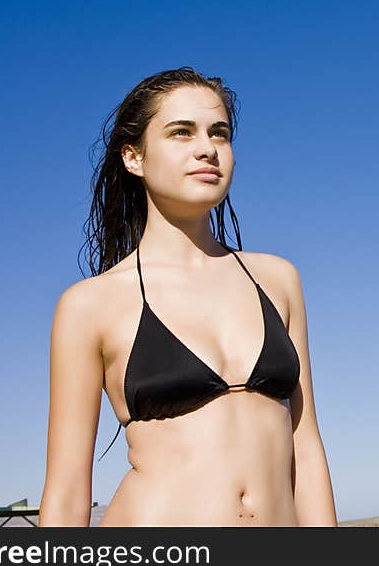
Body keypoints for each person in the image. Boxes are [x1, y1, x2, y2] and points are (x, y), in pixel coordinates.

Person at [38, 67, 337, 527]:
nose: (206, 149)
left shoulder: (277, 280)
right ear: (133, 157)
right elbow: (66, 491)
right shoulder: (90, 305)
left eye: (219, 133)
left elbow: (307, 446)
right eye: (181, 132)